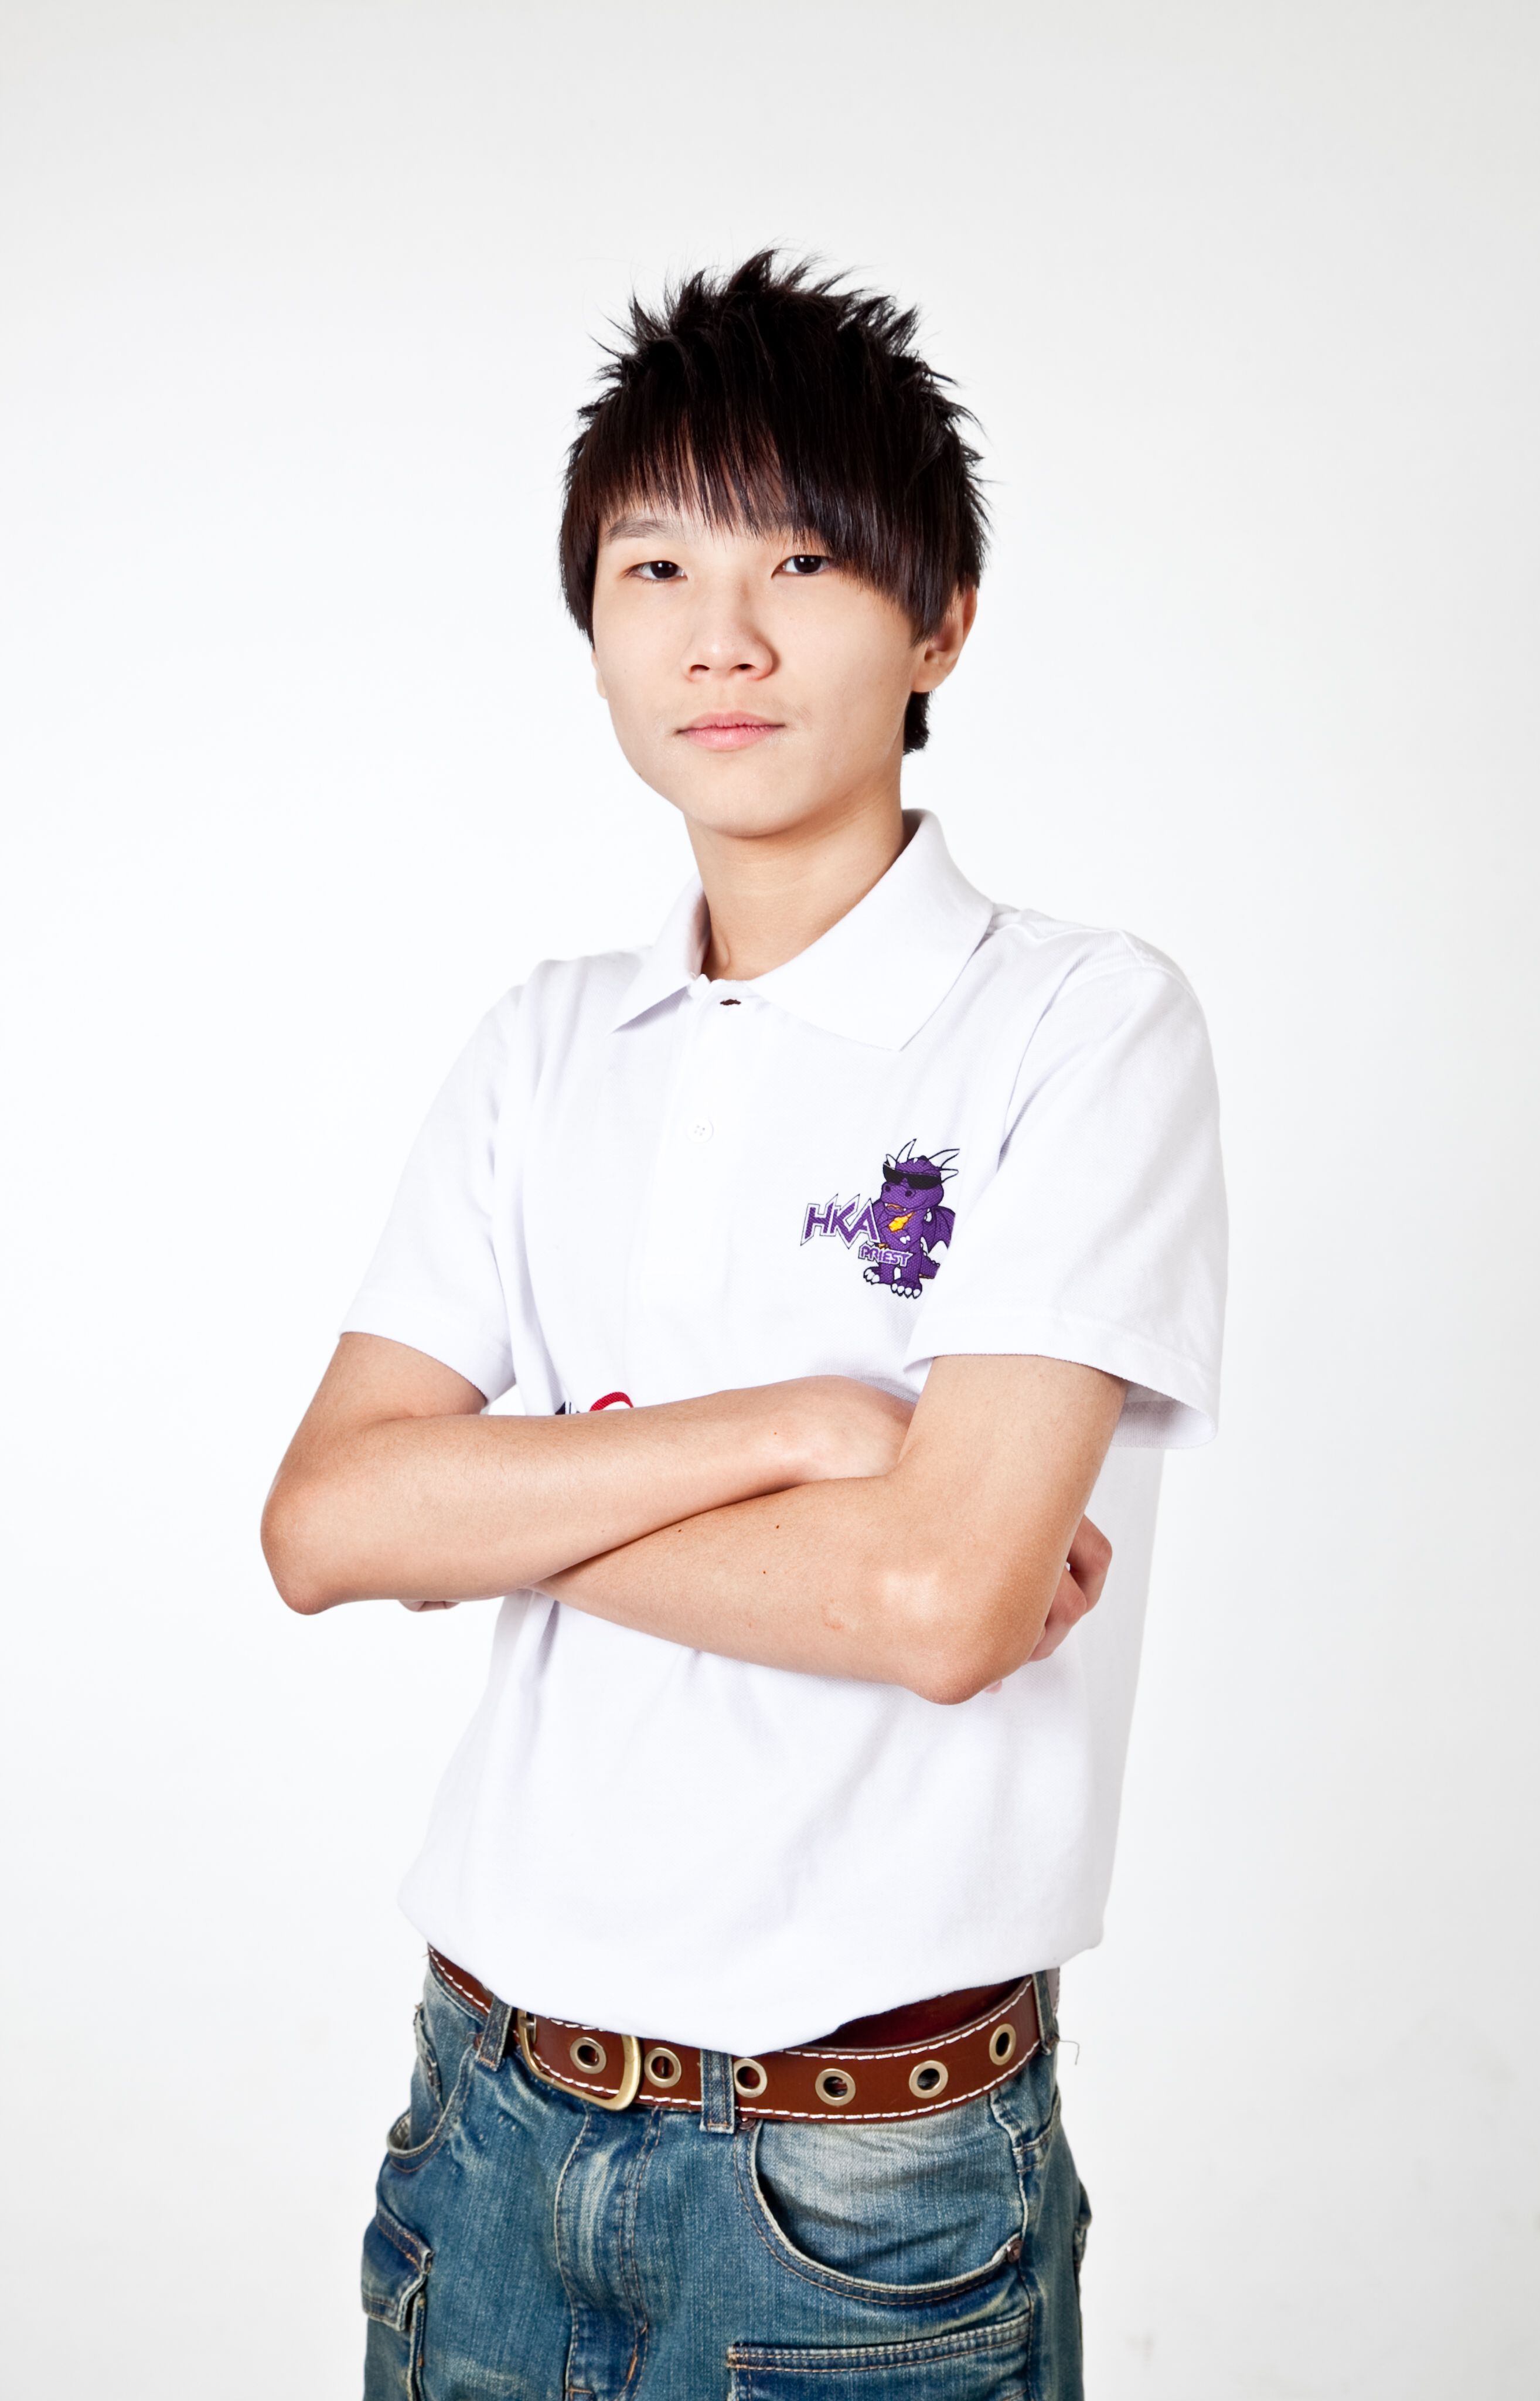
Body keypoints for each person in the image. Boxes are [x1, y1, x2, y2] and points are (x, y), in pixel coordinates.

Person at [262, 251, 1226, 2401]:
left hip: (859, 2188)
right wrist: (797, 1422)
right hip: (482, 2120)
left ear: (938, 620)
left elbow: (940, 1604)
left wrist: (485, 1507)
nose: (723, 635)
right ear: (594, 628)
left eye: (800, 561)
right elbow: (319, 1531)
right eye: (656, 569)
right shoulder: (544, 1042)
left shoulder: (1078, 1025)